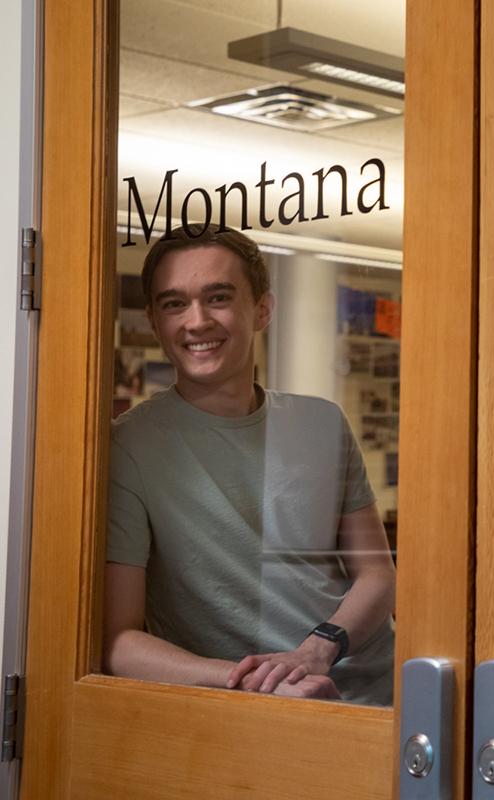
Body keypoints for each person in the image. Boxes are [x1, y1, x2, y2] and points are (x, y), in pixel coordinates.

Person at [104, 225, 396, 705]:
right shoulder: (128, 446)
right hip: (257, 707)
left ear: (262, 308)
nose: (196, 321)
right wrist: (257, 679)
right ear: (154, 321)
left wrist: (317, 650)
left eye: (217, 297)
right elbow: (117, 643)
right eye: (174, 303)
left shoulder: (322, 420)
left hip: (382, 689)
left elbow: (379, 576)